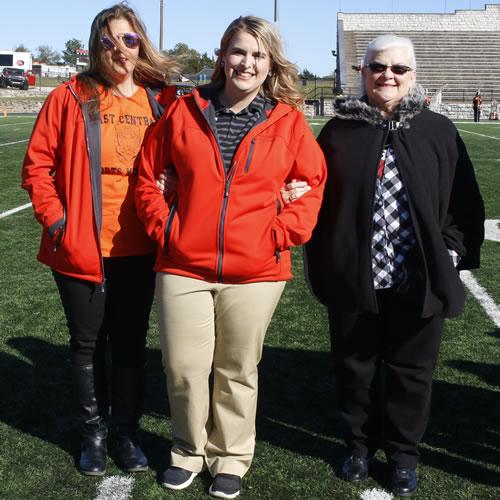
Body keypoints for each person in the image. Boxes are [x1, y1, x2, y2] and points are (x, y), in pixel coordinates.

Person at [136, 15, 326, 498]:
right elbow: (147, 176)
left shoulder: (287, 120)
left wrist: (279, 234)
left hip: (257, 270)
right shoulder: (183, 110)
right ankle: (187, 449)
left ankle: (231, 457)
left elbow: (312, 186)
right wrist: (167, 228)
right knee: (182, 366)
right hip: (183, 264)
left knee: (237, 368)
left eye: (258, 55)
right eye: (239, 52)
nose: (247, 62)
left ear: (270, 64)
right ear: (222, 56)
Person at [305, 34, 484, 496]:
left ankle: (404, 455)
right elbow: (315, 197)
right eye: (378, 67)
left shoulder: (438, 130)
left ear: (414, 76)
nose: (388, 75)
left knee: (412, 372)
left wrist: (448, 250)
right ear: (362, 73)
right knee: (355, 366)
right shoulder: (338, 131)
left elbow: (464, 204)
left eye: (399, 69)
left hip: (418, 277)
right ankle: (358, 447)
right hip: (355, 276)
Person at [22, 4, 177, 476]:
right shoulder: (71, 96)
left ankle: (126, 434)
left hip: (141, 245)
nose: (118, 50)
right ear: (96, 47)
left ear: (140, 44)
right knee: (87, 344)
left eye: (128, 40)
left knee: (130, 343)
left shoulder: (159, 101)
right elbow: (37, 167)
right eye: (108, 41)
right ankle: (93, 434)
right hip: (81, 245)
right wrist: (58, 224)